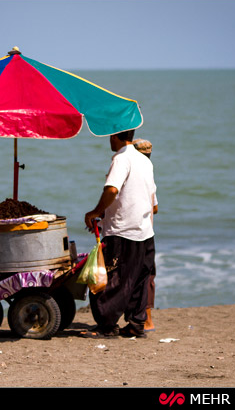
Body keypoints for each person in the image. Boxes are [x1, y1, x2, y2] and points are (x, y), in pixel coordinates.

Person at [84, 130, 158, 338]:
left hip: (122, 231)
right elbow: (150, 201)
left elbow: (112, 191)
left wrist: (96, 212)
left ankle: (106, 326)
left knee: (112, 279)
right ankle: (136, 323)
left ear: (114, 137)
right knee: (138, 280)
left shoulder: (122, 159)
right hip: (144, 231)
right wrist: (104, 217)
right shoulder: (145, 162)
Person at [132, 138, 158, 332]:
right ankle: (147, 319)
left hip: (136, 234)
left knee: (138, 276)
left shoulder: (137, 172)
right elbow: (154, 207)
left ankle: (145, 319)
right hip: (148, 231)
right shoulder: (149, 172)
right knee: (147, 277)